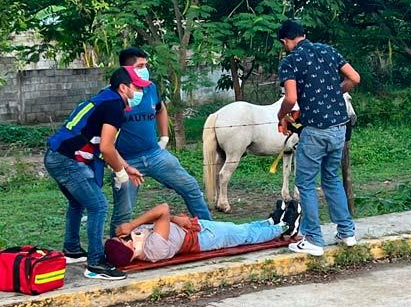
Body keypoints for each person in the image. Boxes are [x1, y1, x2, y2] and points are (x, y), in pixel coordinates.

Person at [44, 66, 149, 280]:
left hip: (57, 156)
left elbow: (105, 144)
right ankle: (95, 263)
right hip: (66, 160)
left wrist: (127, 168)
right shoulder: (114, 107)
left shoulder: (106, 100)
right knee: (98, 205)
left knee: (78, 203)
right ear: (123, 88)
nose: (140, 92)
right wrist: (120, 173)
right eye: (137, 87)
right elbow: (107, 148)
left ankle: (72, 248)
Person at [276, 19, 360, 256]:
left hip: (315, 131)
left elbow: (291, 99)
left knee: (305, 183)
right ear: (303, 34)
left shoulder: (290, 61)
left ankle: (313, 239)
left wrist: (281, 114)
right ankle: (347, 232)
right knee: (332, 179)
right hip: (339, 128)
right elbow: (355, 78)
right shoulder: (328, 50)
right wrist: (335, 91)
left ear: (286, 41)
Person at [109, 47, 212, 236]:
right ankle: (117, 247)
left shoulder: (150, 88)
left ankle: (210, 230)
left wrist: (164, 138)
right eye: (140, 66)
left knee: (190, 187)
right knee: (123, 211)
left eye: (145, 65)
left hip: (155, 154)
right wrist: (116, 165)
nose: (145, 69)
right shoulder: (114, 94)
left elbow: (160, 109)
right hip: (127, 161)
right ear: (126, 68)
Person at [104, 200, 299, 266]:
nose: (125, 236)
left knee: (239, 229)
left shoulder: (139, 243)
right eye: (123, 240)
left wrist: (176, 219)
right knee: (244, 235)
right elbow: (162, 209)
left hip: (196, 229)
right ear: (128, 248)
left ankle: (271, 221)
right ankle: (284, 228)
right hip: (204, 237)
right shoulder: (153, 249)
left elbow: (161, 217)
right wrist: (132, 225)